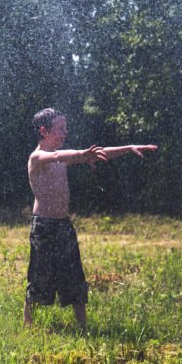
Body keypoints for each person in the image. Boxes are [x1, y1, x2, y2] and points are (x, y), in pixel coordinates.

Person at [24, 108, 157, 330]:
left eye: (66, 128)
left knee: (74, 275)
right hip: (44, 227)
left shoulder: (61, 157)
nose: (65, 133)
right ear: (44, 131)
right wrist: (82, 155)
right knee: (39, 277)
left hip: (64, 225)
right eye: (60, 129)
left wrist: (128, 148)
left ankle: (82, 326)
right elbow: (59, 156)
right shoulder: (38, 157)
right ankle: (28, 327)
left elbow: (99, 151)